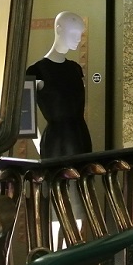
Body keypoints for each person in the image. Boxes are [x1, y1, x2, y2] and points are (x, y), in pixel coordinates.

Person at [26, 11, 93, 159]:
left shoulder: (75, 69)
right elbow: (25, 117)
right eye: (74, 33)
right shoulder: (37, 71)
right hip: (57, 144)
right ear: (59, 29)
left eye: (80, 34)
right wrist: (39, 144)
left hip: (82, 139)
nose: (78, 39)